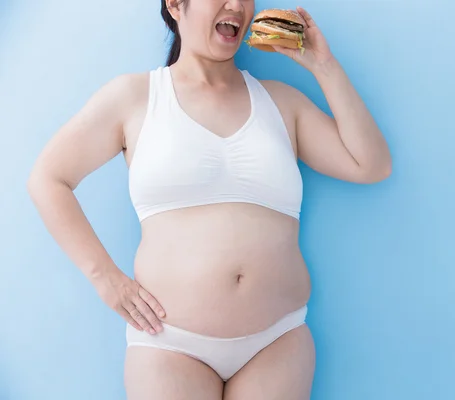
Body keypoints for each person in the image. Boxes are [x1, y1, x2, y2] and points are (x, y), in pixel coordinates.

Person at [27, 0, 392, 399]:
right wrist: (106, 279)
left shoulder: (281, 102)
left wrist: (324, 65)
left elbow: (370, 164)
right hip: (169, 344)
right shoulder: (135, 97)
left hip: (277, 342)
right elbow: (48, 178)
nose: (236, 5)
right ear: (175, 4)